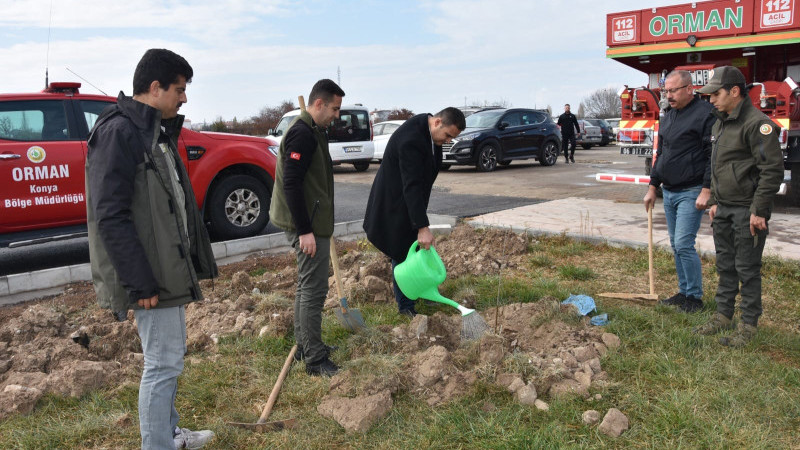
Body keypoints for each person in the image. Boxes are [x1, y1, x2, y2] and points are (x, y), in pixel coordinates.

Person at [86, 49, 218, 449]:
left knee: (170, 360)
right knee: (161, 365)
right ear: (155, 87)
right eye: (179, 90)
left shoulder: (152, 129)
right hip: (149, 275)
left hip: (166, 267)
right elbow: (109, 216)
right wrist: (140, 283)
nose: (184, 98)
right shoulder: (120, 133)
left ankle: (168, 433)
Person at [692, 66, 783, 346]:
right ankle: (723, 315)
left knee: (747, 269)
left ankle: (748, 326)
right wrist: (716, 201)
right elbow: (719, 166)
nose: (711, 100)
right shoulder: (720, 122)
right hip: (725, 209)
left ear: (734, 91)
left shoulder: (757, 124)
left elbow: (771, 171)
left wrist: (758, 210)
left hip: (747, 211)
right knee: (725, 266)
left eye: (716, 94)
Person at [269, 79, 344, 376]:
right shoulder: (302, 134)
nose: (336, 115)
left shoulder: (314, 129)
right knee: (314, 288)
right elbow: (291, 183)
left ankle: (304, 345)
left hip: (312, 220)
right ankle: (314, 359)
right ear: (318, 104)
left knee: (306, 284)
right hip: (306, 223)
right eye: (334, 109)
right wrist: (304, 231)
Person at [363, 108, 466, 317]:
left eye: (452, 138)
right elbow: (411, 185)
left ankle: (422, 292)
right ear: (437, 122)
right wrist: (422, 227)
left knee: (415, 248)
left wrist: (420, 224)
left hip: (408, 202)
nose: (447, 141)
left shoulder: (427, 131)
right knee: (401, 251)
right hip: (393, 204)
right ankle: (406, 307)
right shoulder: (411, 140)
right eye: (447, 135)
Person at [643, 70, 715, 313]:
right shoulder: (669, 116)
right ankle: (684, 292)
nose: (669, 96)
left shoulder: (705, 114)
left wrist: (706, 189)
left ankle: (695, 298)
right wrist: (653, 186)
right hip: (670, 191)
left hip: (692, 190)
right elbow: (661, 154)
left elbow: (711, 156)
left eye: (673, 91)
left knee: (684, 243)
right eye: (666, 91)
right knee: (676, 244)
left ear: (689, 89)